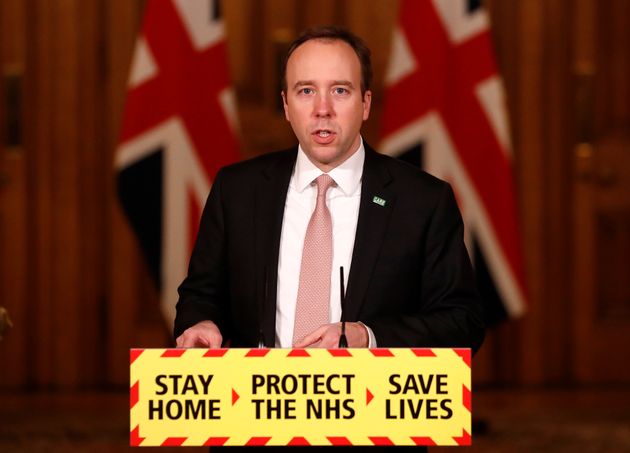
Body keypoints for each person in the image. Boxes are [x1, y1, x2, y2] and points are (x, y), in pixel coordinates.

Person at [175, 25, 483, 357]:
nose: (323, 109)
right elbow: (199, 297)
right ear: (287, 105)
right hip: (259, 401)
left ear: (365, 103)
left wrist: (369, 337)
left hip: (373, 404)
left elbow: (462, 322)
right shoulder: (236, 191)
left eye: (340, 90)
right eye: (306, 91)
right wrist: (203, 322)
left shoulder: (423, 202)